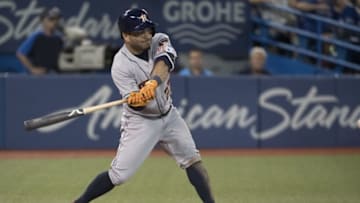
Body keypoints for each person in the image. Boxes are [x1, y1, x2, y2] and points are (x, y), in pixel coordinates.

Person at [74, 8, 215, 203]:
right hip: (141, 121)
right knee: (119, 176)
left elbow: (164, 62)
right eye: (139, 32)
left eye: (148, 29)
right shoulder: (120, 64)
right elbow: (136, 105)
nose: (146, 35)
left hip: (169, 115)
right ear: (125, 36)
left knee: (192, 160)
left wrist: (153, 83)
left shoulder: (159, 39)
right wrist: (137, 99)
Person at [16, 7, 63, 75]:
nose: (55, 22)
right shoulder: (37, 36)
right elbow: (20, 54)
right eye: (51, 19)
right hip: (35, 78)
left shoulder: (59, 37)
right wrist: (32, 69)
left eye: (57, 19)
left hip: (53, 75)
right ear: (42, 20)